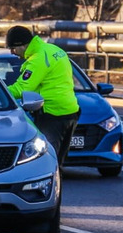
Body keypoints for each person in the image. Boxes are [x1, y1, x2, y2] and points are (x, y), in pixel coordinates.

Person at [5, 25, 80, 167]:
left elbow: (21, 89)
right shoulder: (54, 50)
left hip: (52, 114)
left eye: (13, 48)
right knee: (58, 161)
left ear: (23, 45)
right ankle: (58, 181)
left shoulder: (38, 59)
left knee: (47, 162)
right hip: (71, 111)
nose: (12, 52)